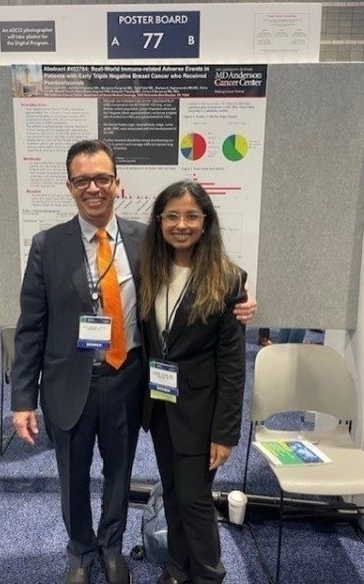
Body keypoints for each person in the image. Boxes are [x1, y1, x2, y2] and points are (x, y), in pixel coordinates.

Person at [11, 140, 256, 584]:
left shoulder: (147, 240)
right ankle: (80, 552)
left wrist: (240, 299)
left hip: (128, 380)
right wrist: (23, 399)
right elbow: (31, 327)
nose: (93, 188)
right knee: (73, 476)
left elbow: (199, 274)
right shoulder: (47, 246)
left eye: (102, 178)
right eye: (82, 180)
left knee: (119, 474)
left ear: (116, 184)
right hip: (68, 383)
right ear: (69, 187)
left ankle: (112, 547)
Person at [140, 181, 247, 584]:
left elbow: (233, 366)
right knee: (172, 492)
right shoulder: (149, 269)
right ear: (159, 220)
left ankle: (207, 575)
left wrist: (224, 433)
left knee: (195, 498)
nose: (181, 224)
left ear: (205, 222)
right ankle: (177, 567)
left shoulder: (227, 279)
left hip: (202, 414)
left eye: (191, 216)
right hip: (160, 403)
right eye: (172, 215)